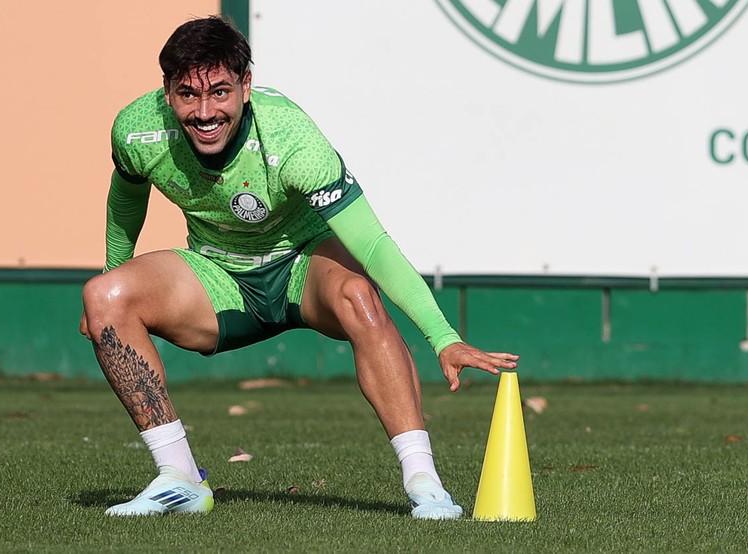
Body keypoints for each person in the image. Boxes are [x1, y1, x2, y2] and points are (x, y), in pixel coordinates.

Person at [78, 16, 518, 519]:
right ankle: (179, 480)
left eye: (220, 92)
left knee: (359, 296)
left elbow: (373, 246)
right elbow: (125, 200)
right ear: (167, 91)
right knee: (103, 296)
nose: (204, 113)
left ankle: (425, 484)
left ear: (246, 85)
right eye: (187, 95)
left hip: (304, 265)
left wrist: (443, 337)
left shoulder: (292, 140)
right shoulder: (138, 131)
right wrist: (115, 274)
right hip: (216, 277)